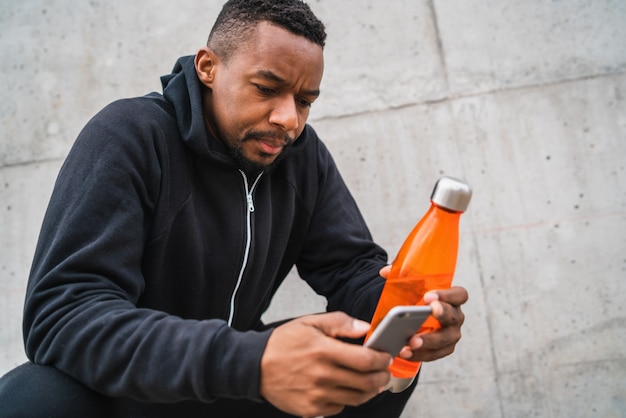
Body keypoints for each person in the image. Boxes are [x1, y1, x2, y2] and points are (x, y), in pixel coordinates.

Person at [0, 1, 468, 417]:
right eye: (267, 88)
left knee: (367, 359)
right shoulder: (129, 135)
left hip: (235, 384)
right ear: (208, 67)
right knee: (34, 399)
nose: (289, 119)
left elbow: (351, 268)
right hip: (135, 389)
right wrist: (249, 362)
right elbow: (62, 316)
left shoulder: (299, 154)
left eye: (304, 101)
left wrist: (403, 315)